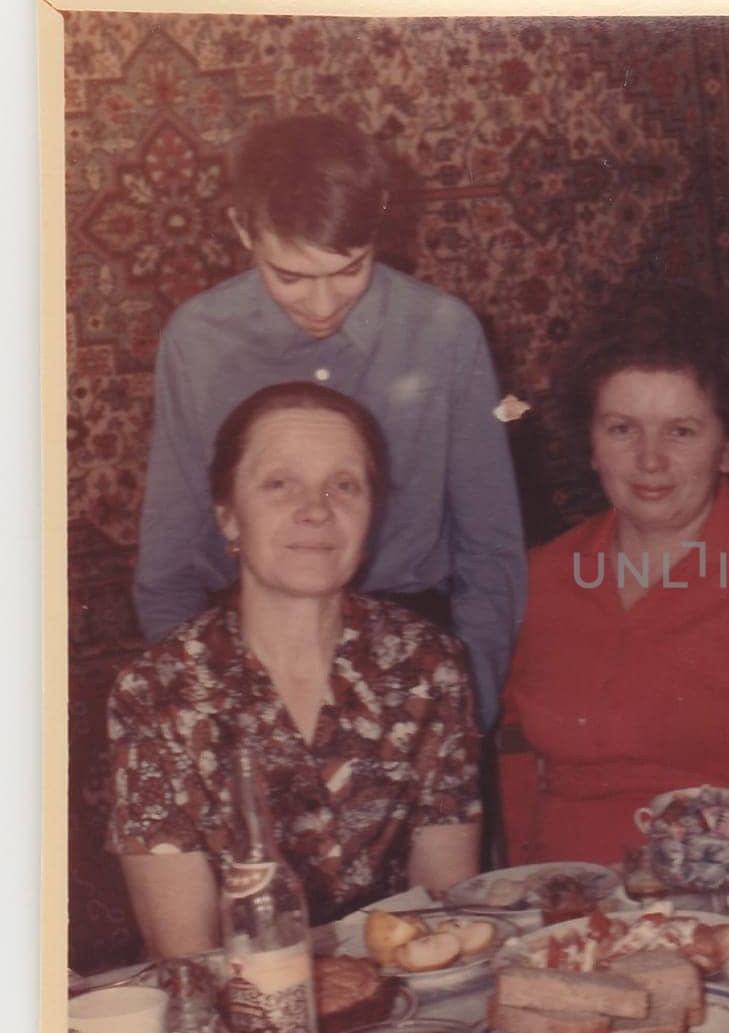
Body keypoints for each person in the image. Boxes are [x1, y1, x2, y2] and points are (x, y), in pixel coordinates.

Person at [132, 113, 525, 734]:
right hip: (253, 651)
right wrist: (207, 705)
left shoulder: (444, 332)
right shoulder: (198, 341)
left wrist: (464, 714)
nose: (323, 306)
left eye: (349, 270)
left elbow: (491, 551)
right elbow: (170, 566)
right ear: (242, 228)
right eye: (290, 276)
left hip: (417, 652)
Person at [108, 384, 483, 956]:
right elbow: (188, 955)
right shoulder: (158, 693)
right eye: (279, 484)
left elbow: (445, 926)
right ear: (229, 518)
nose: (316, 509)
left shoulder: (430, 666)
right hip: (240, 1023)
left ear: (370, 517)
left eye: (344, 485)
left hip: (409, 1016)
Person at [498, 297, 729, 866]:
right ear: (590, 444)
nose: (650, 460)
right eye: (622, 430)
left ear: (727, 448)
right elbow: (512, 763)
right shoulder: (536, 576)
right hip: (559, 904)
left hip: (726, 895)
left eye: (681, 432)